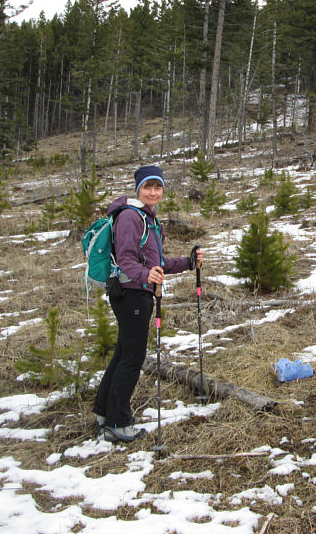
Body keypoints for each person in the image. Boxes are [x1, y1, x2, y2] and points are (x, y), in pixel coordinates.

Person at [93, 165, 203, 443]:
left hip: (137, 292)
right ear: (138, 189)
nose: (153, 192)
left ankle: (104, 413)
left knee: (123, 353)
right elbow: (126, 258)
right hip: (131, 294)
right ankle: (118, 422)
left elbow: (158, 263)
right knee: (132, 358)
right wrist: (145, 276)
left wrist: (188, 263)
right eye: (147, 187)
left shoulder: (150, 220)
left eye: (157, 187)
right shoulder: (131, 217)